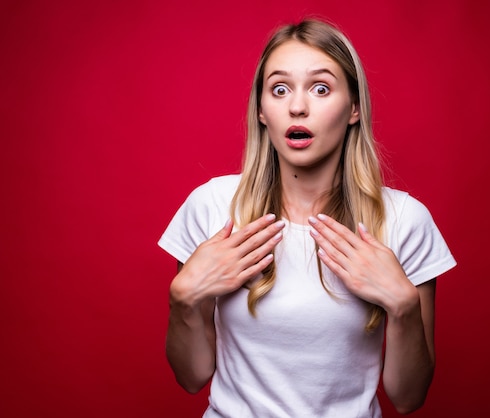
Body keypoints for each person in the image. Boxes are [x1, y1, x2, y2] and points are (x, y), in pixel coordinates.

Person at [159, 19, 456, 417]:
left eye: (320, 88)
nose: (297, 106)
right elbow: (191, 377)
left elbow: (408, 397)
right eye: (279, 90)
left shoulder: (404, 220)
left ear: (353, 108)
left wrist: (403, 306)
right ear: (262, 111)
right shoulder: (212, 206)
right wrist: (183, 300)